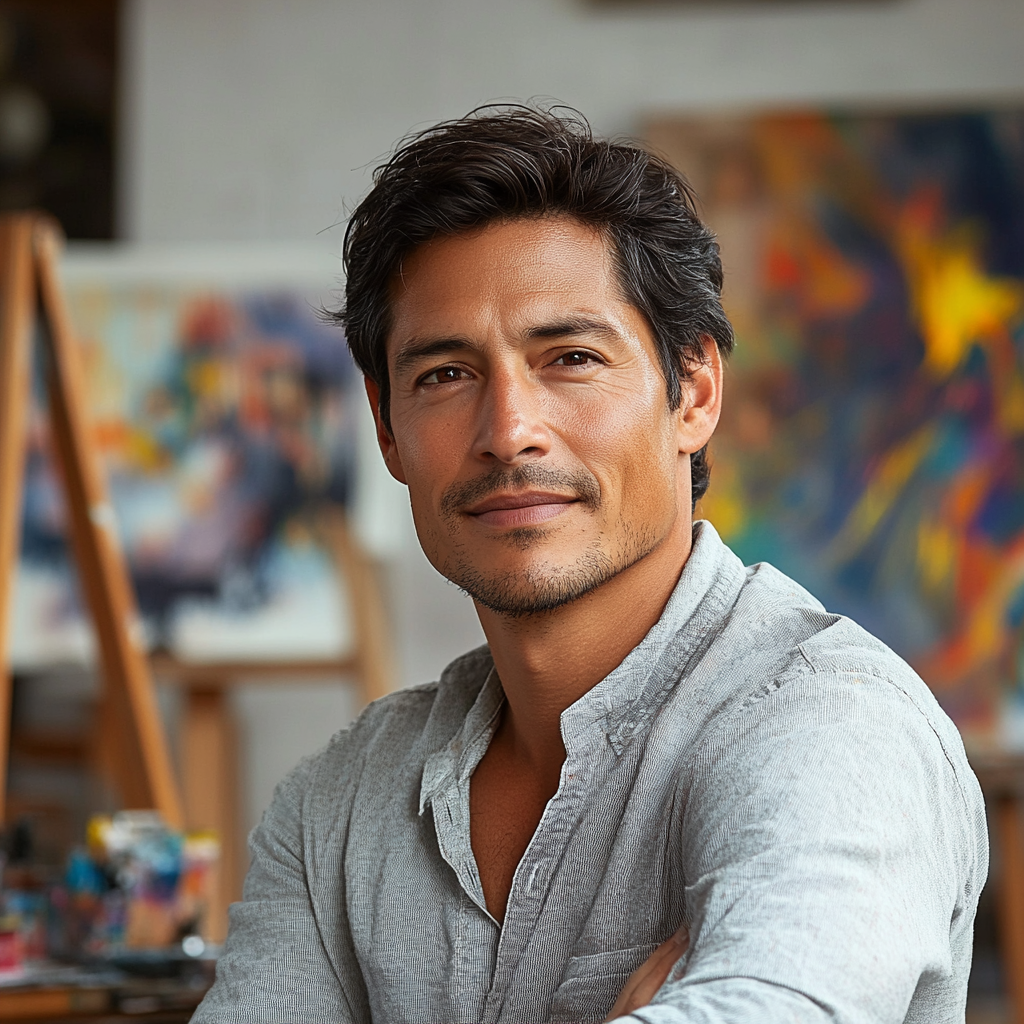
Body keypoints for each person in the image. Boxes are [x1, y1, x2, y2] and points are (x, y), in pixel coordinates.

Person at [191, 107, 987, 1024]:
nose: (508, 432)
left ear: (693, 392)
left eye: (570, 358)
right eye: (446, 374)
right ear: (386, 429)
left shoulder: (828, 726)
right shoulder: (342, 798)